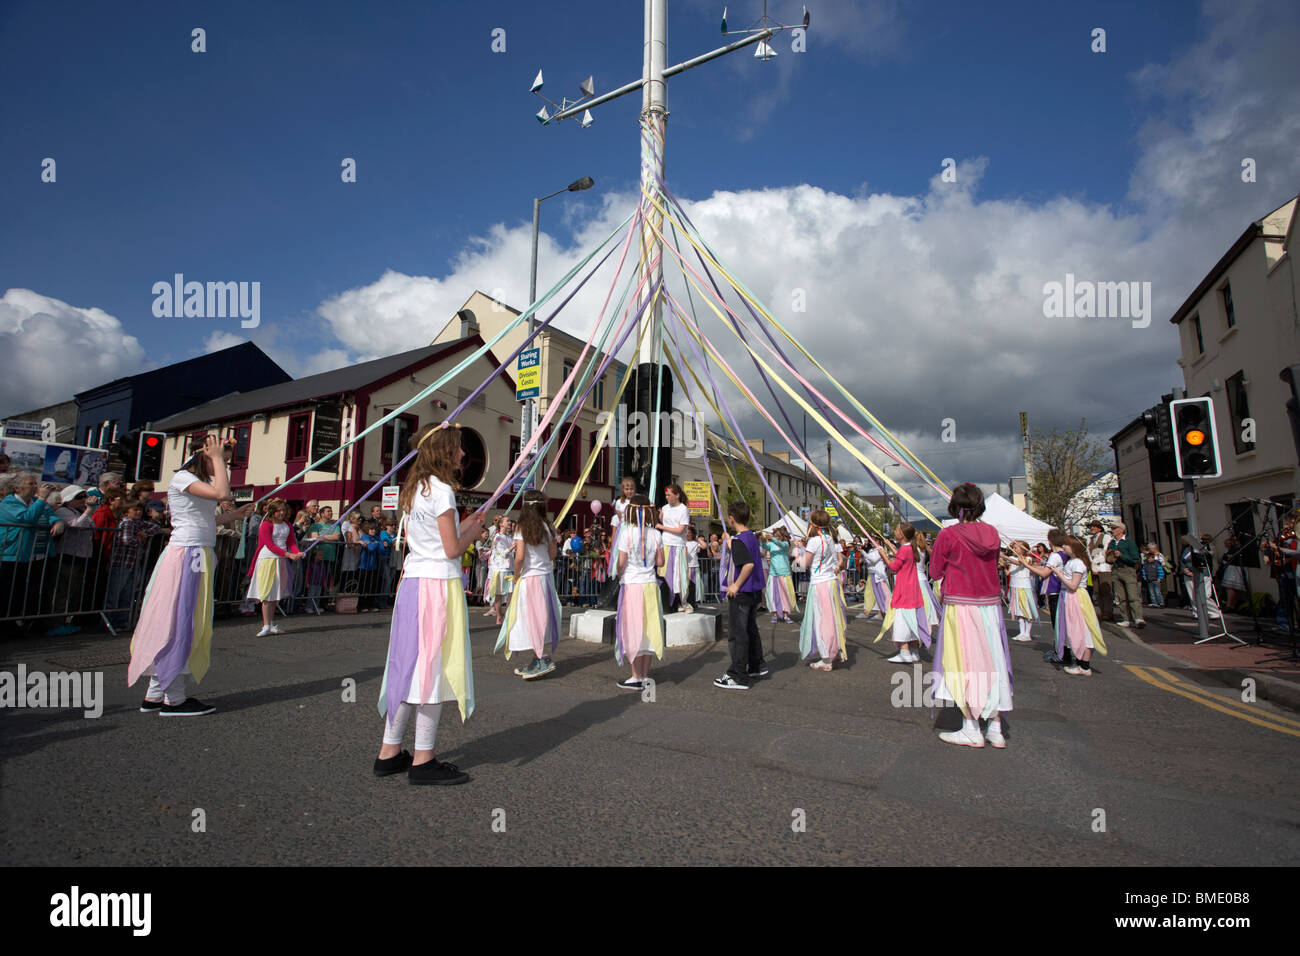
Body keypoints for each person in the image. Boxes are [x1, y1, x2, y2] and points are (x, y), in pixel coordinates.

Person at [375, 423, 485, 785]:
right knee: (431, 668)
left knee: (407, 664)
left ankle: (389, 752)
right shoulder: (442, 492)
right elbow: (452, 549)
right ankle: (423, 760)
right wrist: (473, 528)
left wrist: (467, 524)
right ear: (443, 451)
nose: (463, 454)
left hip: (413, 583)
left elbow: (432, 542)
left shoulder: (414, 489)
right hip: (438, 584)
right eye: (457, 448)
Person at [127, 437, 252, 716]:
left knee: (180, 618)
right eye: (220, 458)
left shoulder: (194, 483)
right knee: (182, 620)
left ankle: (156, 693)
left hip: (195, 553)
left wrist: (236, 514)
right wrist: (218, 458)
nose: (224, 464)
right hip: (189, 555)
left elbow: (203, 517)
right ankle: (175, 698)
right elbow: (223, 493)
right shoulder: (183, 477)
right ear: (205, 454)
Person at [927, 483, 1013, 748]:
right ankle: (996, 727)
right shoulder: (993, 534)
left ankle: (971, 726)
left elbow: (934, 571)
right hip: (989, 606)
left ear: (955, 506)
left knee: (963, 662)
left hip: (961, 606)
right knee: (993, 662)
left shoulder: (949, 535)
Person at [494, 490, 560, 680]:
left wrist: (516, 576)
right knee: (541, 617)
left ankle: (541, 658)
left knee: (530, 618)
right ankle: (537, 657)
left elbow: (520, 557)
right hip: (546, 577)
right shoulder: (548, 527)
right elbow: (552, 554)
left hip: (530, 578)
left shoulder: (522, 527)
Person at [0, 471, 67, 633]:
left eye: (35, 483)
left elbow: (49, 514)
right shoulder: (8, 503)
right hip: (13, 554)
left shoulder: (36, 502)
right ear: (17, 488)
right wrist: (43, 499)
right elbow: (26, 519)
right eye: (31, 483)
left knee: (30, 591)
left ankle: (26, 624)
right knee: (9, 593)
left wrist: (58, 522)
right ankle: (6, 625)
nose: (36, 487)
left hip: (36, 554)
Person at [615, 494, 665, 692]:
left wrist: (620, 574)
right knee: (649, 628)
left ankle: (636, 676)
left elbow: (621, 562)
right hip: (651, 585)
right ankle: (644, 675)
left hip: (632, 584)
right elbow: (660, 562)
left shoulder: (626, 534)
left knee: (633, 628)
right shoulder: (656, 534)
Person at [716, 499, 768, 688]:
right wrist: (730, 542)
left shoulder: (739, 540)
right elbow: (743, 551)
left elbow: (748, 564)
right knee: (750, 629)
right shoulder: (751, 536)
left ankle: (739, 675)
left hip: (743, 592)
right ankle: (756, 665)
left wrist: (735, 585)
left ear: (731, 519)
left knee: (738, 634)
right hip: (754, 590)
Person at [795, 509, 845, 674]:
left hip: (819, 584)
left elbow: (804, 564)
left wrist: (797, 553)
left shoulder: (815, 541)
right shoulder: (829, 539)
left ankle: (826, 658)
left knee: (821, 620)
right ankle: (834, 650)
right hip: (831, 582)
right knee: (831, 618)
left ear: (813, 524)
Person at [1050, 536, 1107, 676]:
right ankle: (1080, 663)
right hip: (1068, 597)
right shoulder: (1072, 562)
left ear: (1074, 547)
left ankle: (1084, 666)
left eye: (1066, 545)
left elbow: (1073, 585)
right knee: (1074, 630)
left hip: (1075, 598)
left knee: (1082, 630)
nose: (1063, 547)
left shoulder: (1078, 563)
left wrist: (1058, 573)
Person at [246, 499, 302, 635]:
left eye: (283, 510)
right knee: (266, 592)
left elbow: (291, 542)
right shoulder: (265, 525)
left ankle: (270, 624)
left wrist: (297, 552)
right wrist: (289, 554)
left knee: (276, 593)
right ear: (273, 512)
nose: (282, 513)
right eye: (279, 511)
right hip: (267, 559)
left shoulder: (287, 525)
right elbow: (269, 545)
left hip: (281, 560)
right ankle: (265, 625)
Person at [107, 498, 165, 629]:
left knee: (127, 595)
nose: (138, 512)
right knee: (115, 594)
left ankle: (122, 621)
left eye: (140, 510)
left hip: (133, 564)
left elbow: (155, 528)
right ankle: (109, 621)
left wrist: (144, 533)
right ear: (127, 511)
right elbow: (127, 540)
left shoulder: (138, 523)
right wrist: (140, 539)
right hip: (121, 563)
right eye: (135, 510)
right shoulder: (127, 522)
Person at [880, 523, 930, 663]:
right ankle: (914, 651)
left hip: (904, 589)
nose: (894, 531)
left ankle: (904, 652)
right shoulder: (910, 548)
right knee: (912, 618)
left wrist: (883, 555)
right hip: (912, 589)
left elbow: (894, 566)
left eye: (896, 530)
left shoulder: (904, 549)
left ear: (901, 534)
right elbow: (901, 557)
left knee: (902, 619)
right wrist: (889, 545)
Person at [656, 484, 692, 613]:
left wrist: (661, 527)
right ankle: (667, 602)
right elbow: (665, 521)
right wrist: (661, 516)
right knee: (664, 574)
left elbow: (680, 530)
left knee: (679, 576)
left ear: (677, 495)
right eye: (666, 495)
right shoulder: (665, 508)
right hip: (665, 544)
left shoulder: (684, 510)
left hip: (677, 546)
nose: (666, 497)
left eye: (669, 495)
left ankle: (683, 602)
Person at [1105, 522, 1145, 628]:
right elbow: (1109, 560)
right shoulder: (1112, 543)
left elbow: (1134, 559)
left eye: (1114, 528)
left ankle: (1138, 618)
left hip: (1127, 570)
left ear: (1121, 530)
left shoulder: (1129, 542)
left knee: (1132, 595)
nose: (1112, 530)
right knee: (1121, 597)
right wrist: (1109, 556)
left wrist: (1121, 555)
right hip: (1116, 570)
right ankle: (1125, 619)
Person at [1002, 540, 1038, 641]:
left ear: (1023, 549)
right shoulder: (1012, 558)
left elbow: (1018, 563)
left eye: (1016, 548)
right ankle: (1022, 632)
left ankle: (1027, 633)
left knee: (1027, 610)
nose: (1014, 550)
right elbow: (1011, 562)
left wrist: (1005, 556)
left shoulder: (1028, 558)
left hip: (1024, 587)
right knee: (1019, 611)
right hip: (1015, 586)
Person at [483, 515, 515, 623]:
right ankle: (499, 616)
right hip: (500, 568)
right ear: (501, 524)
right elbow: (503, 553)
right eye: (507, 521)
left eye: (509, 521)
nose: (509, 523)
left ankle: (506, 615)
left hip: (509, 568)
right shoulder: (497, 537)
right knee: (499, 593)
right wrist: (514, 546)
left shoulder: (510, 538)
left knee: (511, 592)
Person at [763, 526, 797, 623]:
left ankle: (786, 614)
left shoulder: (785, 544)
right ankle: (774, 614)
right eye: (775, 536)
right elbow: (764, 546)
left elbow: (780, 544)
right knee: (773, 594)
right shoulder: (771, 545)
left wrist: (772, 538)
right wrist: (761, 539)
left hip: (784, 573)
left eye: (778, 536)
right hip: (774, 573)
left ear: (782, 537)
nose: (777, 537)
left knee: (785, 594)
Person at [1087, 520, 1114, 621]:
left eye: (1094, 526)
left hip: (1103, 566)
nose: (1092, 528)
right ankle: (1102, 611)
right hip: (1094, 567)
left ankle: (1108, 612)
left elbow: (1104, 552)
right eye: (1091, 527)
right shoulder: (1090, 539)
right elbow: (1088, 552)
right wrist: (1092, 564)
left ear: (1099, 528)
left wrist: (1095, 562)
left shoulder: (1105, 537)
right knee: (1097, 591)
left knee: (1105, 590)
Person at [860, 535, 892, 620]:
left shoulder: (880, 549)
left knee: (884, 594)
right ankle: (883, 611)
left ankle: (887, 611)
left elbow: (873, 559)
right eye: (871, 541)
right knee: (877, 595)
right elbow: (868, 561)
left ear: (878, 541)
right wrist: (865, 554)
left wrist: (863, 553)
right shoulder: (871, 550)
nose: (871, 542)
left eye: (873, 540)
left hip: (880, 575)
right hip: (873, 574)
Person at [1218, 536, 1248, 611]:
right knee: (1231, 587)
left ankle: (1230, 605)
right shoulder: (1232, 549)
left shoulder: (1240, 549)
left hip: (1236, 568)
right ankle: (1230, 605)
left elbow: (1230, 557)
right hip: (1232, 567)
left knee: (1232, 587)